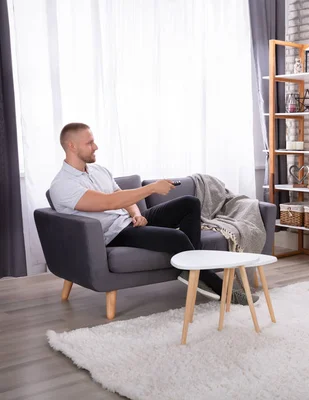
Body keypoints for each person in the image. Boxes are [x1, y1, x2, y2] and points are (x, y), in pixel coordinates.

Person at [48, 123, 258, 305]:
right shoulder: (63, 185)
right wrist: (151, 189)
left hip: (129, 221)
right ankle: (223, 290)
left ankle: (190, 269)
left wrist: (136, 213)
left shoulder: (99, 171)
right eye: (90, 143)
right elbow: (108, 202)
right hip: (113, 234)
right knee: (177, 237)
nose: (96, 146)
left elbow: (120, 194)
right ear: (71, 146)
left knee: (189, 203)